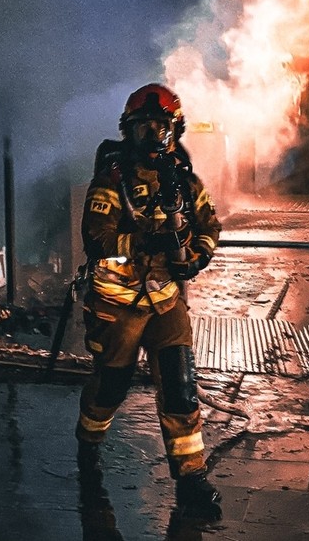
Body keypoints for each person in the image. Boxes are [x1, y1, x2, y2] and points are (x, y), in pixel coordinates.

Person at [75, 83, 224, 520]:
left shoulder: (184, 181)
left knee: (179, 388)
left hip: (165, 301)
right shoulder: (111, 180)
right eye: (144, 128)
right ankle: (87, 444)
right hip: (117, 304)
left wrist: (193, 258)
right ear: (128, 131)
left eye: (162, 127)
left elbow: (209, 228)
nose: (154, 136)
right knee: (111, 387)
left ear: (174, 130)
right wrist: (148, 239)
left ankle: (192, 479)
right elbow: (96, 237)